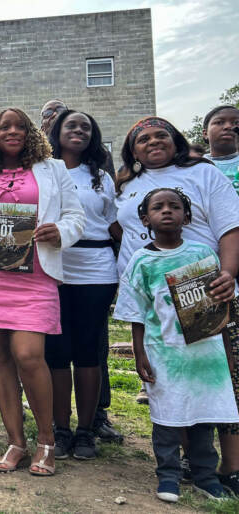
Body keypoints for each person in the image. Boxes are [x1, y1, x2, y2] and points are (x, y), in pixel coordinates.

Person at [0, 108, 85, 476]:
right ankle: (16, 442)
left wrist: (60, 231)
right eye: (4, 127)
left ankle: (46, 441)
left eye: (20, 126)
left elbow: (76, 216)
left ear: (31, 133)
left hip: (34, 278)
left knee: (28, 355)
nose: (13, 131)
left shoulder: (52, 170)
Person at [113, 115, 239, 493]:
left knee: (224, 380)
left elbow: (231, 227)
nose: (153, 142)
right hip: (158, 301)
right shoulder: (128, 184)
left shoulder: (204, 174)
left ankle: (230, 466)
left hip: (208, 290)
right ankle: (189, 462)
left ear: (176, 140)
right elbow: (119, 228)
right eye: (143, 139)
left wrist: (229, 274)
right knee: (174, 378)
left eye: (161, 135)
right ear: (132, 150)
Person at [45, 110, 118, 460]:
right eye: (71, 125)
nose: (78, 131)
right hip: (53, 268)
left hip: (97, 269)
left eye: (86, 127)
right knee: (57, 353)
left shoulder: (101, 177)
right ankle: (60, 429)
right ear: (56, 132)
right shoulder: (43, 172)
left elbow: (115, 227)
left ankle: (85, 431)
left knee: (89, 352)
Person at [202, 104, 239, 494]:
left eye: (235, 124)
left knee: (233, 375)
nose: (227, 128)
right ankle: (197, 458)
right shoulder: (200, 171)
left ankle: (232, 463)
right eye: (219, 122)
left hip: (226, 278)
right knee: (204, 372)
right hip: (202, 283)